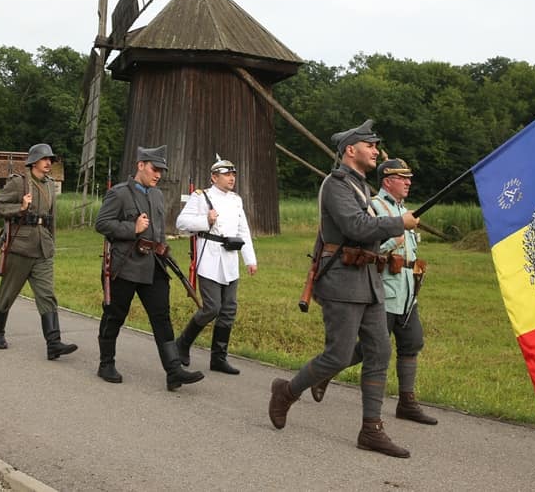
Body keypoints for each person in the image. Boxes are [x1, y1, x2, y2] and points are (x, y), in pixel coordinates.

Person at [267, 120, 420, 458]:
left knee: (379, 351)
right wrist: (399, 223)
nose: (376, 152)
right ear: (351, 150)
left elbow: (367, 230)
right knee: (337, 354)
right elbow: (356, 226)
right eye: (370, 146)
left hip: (368, 280)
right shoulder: (337, 185)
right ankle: (287, 391)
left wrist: (393, 227)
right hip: (342, 280)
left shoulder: (360, 186)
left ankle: (371, 429)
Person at [95, 145, 205, 391]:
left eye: (161, 171)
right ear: (140, 165)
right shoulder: (120, 194)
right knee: (115, 315)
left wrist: (164, 249)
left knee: (161, 317)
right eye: (155, 169)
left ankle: (173, 371)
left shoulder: (157, 194)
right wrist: (131, 229)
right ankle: (106, 363)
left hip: (154, 264)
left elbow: (158, 230)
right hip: (126, 265)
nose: (158, 175)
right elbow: (102, 223)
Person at [0, 143, 78, 360]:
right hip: (20, 247)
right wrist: (19, 208)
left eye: (51, 160)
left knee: (47, 295)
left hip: (43, 247)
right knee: (8, 293)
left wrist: (52, 243)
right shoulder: (19, 183)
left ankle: (54, 343)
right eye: (45, 159)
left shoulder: (49, 184)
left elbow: (52, 218)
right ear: (34, 161)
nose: (49, 163)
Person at [175, 155, 258, 375]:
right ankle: (182, 344)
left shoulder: (236, 200)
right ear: (214, 177)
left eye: (233, 174)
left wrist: (250, 259)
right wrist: (206, 221)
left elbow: (243, 230)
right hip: (210, 257)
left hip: (230, 257)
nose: (231, 178)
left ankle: (218, 358)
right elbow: (181, 222)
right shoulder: (201, 197)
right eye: (226, 174)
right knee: (212, 308)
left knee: (229, 310)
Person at [371, 158, 437, 425]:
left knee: (412, 343)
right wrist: (395, 236)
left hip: (408, 290)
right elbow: (369, 247)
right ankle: (323, 373)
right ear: (388, 181)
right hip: (384, 289)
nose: (409, 182)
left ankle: (406, 402)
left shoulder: (406, 211)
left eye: (409, 177)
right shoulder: (374, 207)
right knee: (371, 349)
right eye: (402, 178)